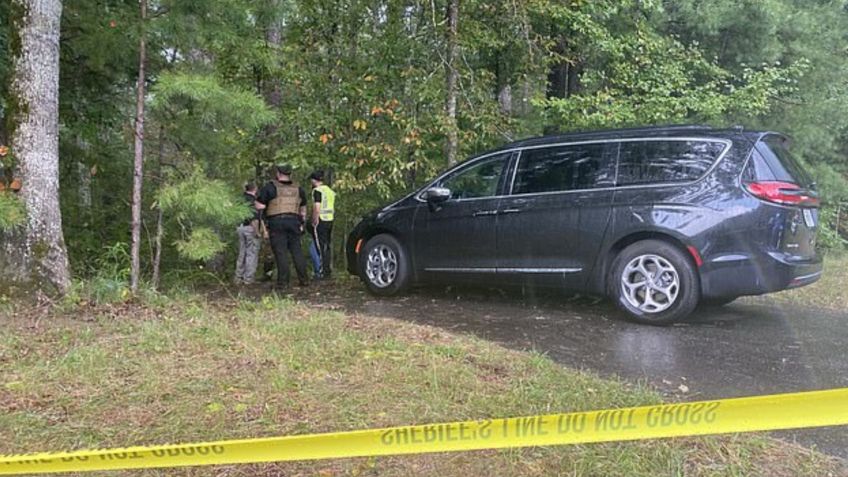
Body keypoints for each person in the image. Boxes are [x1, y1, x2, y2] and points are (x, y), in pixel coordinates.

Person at [255, 164, 309, 290]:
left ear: (278, 173)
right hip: (294, 221)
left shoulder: (270, 187)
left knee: (281, 252)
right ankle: (304, 279)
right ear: (290, 174)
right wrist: (302, 223)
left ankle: (283, 282)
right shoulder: (298, 188)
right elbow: (303, 208)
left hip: (277, 222)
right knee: (297, 251)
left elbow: (260, 206)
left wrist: (262, 223)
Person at [308, 170, 335, 280]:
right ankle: (327, 270)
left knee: (319, 246)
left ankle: (321, 271)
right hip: (330, 219)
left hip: (321, 220)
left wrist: (314, 219)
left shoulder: (317, 191)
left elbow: (317, 207)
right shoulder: (329, 190)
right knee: (326, 245)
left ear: (314, 180)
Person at [234, 182, 261, 284]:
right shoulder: (252, 201)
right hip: (250, 228)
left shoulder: (240, 200)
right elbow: (254, 218)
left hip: (240, 227)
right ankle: (248, 278)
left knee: (242, 252)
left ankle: (238, 277)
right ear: (255, 188)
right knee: (252, 253)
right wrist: (257, 232)